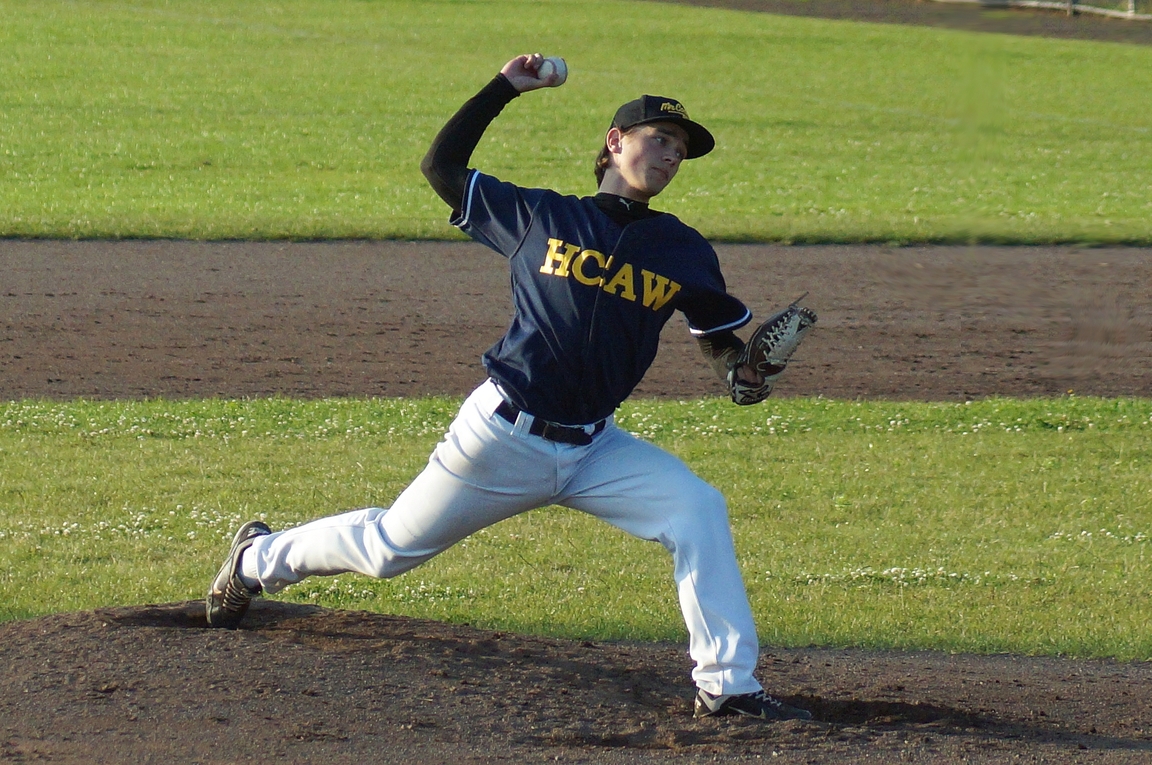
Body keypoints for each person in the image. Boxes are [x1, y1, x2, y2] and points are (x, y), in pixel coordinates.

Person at [206, 53, 812, 722]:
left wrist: (741, 375)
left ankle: (727, 686)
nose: (671, 155)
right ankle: (256, 559)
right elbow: (441, 167)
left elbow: (716, 339)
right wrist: (503, 88)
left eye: (681, 150)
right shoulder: (538, 215)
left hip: (596, 450)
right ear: (615, 142)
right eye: (660, 138)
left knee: (696, 509)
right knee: (387, 550)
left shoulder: (683, 249)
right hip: (501, 437)